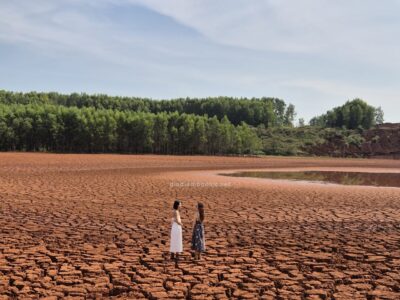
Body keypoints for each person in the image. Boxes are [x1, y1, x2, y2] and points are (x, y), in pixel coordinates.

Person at [170, 200, 183, 266]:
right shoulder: (177, 212)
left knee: (173, 240)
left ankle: (172, 254)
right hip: (177, 227)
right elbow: (178, 221)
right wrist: (181, 224)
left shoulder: (173, 211)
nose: (181, 206)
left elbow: (172, 220)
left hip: (173, 227)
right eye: (180, 204)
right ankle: (177, 255)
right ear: (177, 205)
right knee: (178, 240)